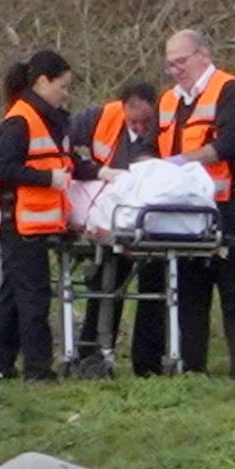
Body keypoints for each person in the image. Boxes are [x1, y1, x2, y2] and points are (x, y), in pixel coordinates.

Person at [158, 29, 235, 379]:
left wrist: (184, 161)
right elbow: (154, 143)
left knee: (234, 287)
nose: (176, 70)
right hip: (186, 208)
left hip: (231, 202)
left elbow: (232, 141)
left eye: (181, 62)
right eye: (170, 64)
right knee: (190, 288)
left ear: (202, 54)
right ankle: (193, 369)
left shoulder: (229, 91)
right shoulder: (170, 101)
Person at [0, 50, 74, 381]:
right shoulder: (21, 120)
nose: (66, 94)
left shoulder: (51, 120)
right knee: (33, 296)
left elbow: (65, 161)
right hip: (21, 220)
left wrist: (100, 173)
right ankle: (38, 368)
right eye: (62, 87)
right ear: (42, 82)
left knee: (12, 294)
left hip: (36, 220)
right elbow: (3, 167)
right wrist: (48, 179)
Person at [69, 82, 165, 374]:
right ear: (122, 109)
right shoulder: (100, 118)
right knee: (105, 280)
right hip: (108, 212)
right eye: (133, 121)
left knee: (154, 282)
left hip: (148, 218)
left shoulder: (163, 127)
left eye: (145, 121)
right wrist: (95, 172)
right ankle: (92, 351)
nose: (139, 126)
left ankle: (146, 362)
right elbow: (62, 144)